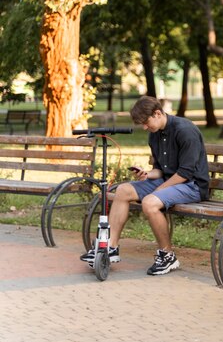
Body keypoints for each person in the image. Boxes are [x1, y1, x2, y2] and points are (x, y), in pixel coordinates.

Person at [80, 96, 210, 275]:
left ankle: (167, 255)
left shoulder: (185, 131)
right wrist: (148, 174)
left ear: (157, 113)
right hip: (169, 181)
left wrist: (158, 190)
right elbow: (160, 170)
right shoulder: (154, 135)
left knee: (150, 202)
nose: (144, 127)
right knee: (123, 190)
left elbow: (185, 173)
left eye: (145, 122)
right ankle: (110, 248)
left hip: (192, 185)